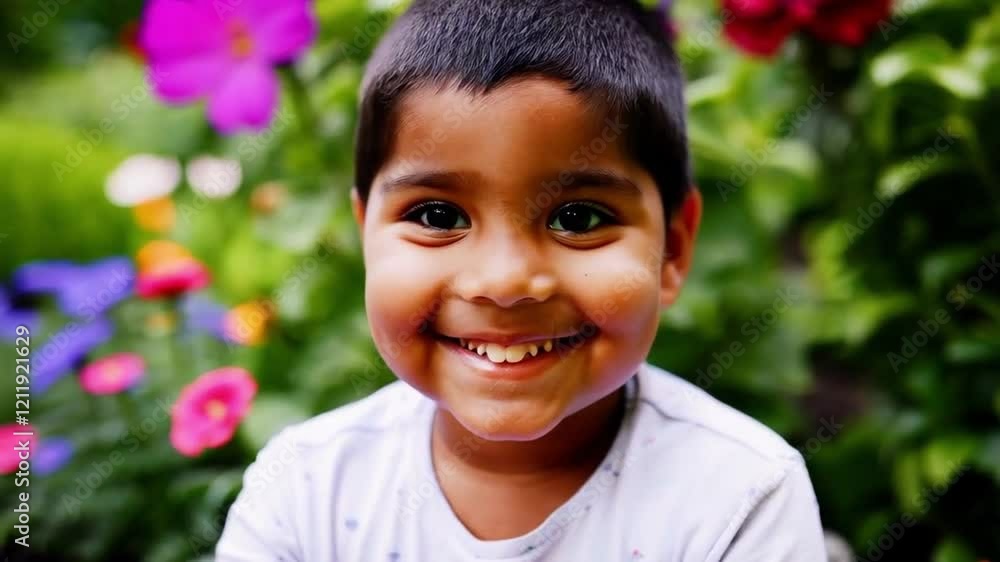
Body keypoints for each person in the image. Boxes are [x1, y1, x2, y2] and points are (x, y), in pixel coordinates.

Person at [215, 0, 827, 559]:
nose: (504, 281)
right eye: (438, 217)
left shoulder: (740, 497)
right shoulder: (304, 490)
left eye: (578, 219)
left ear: (673, 249)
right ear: (366, 235)